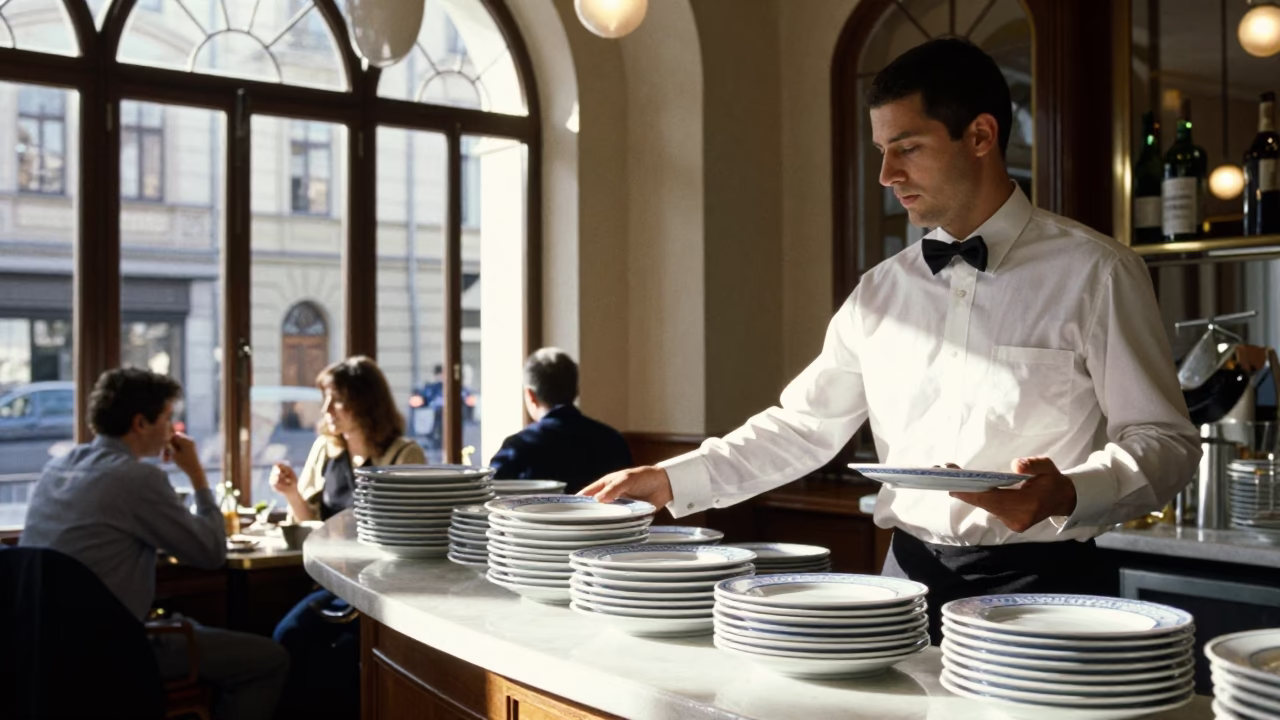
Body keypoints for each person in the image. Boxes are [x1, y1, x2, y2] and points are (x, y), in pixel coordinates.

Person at [580, 38, 1201, 641]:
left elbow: (1165, 441)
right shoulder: (879, 293)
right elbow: (803, 426)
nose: (885, 174)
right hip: (904, 582)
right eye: (881, 150)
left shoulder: (1097, 272)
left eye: (907, 147)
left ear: (981, 136)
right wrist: (669, 479)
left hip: (1050, 590)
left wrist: (1068, 490)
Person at [20, 367, 289, 720]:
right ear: (140, 423)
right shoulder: (137, 477)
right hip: (111, 650)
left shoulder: (59, 467)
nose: (172, 429)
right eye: (167, 418)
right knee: (269, 660)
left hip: (38, 649)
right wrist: (196, 474)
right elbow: (210, 553)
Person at [269, 355, 424, 720]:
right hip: (331, 583)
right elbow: (310, 522)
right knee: (287, 637)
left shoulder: (404, 454)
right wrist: (291, 493)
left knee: (338, 661)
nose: (327, 409)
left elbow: (413, 532)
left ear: (365, 402)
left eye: (336, 399)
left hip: (380, 590)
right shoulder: (326, 449)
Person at [489, 348, 633, 495]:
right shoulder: (613, 441)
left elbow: (490, 496)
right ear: (576, 391)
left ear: (530, 395)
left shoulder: (517, 448)